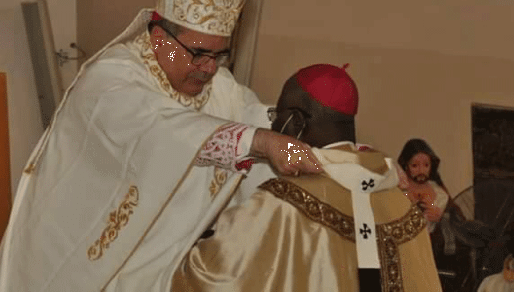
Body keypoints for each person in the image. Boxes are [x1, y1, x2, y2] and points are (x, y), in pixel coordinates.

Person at [0, 0, 322, 292]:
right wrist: (258, 141)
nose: (209, 68)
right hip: (72, 274)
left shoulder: (219, 88)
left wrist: (338, 157)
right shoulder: (110, 79)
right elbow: (158, 128)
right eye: (198, 53)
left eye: (220, 55)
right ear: (160, 35)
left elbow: (258, 123)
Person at [172, 64, 443, 291]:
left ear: (297, 124)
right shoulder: (400, 201)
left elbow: (208, 278)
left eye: (277, 116)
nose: (274, 127)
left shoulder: (281, 203)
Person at [397, 138, 449, 232]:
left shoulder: (440, 195)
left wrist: (441, 218)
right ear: (406, 166)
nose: (421, 171)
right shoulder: (397, 192)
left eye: (426, 165)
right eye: (415, 166)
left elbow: (456, 224)